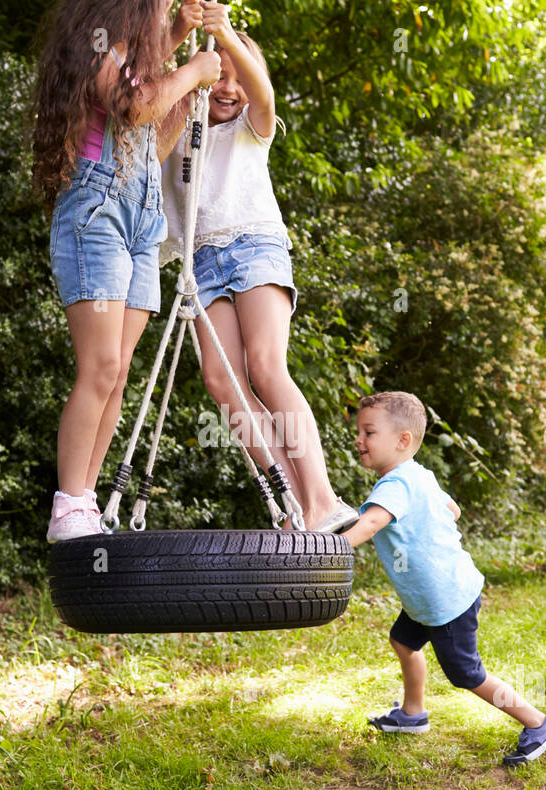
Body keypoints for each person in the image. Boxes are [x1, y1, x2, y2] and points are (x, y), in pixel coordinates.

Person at [157, 2, 357, 533]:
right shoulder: (176, 133)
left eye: (237, 75)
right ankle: (290, 503)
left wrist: (223, 32)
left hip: (253, 248)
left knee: (266, 367)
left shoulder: (253, 126)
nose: (228, 86)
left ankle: (322, 499)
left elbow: (263, 95)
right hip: (200, 263)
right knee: (222, 382)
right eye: (217, 73)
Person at [31, 0, 221, 541]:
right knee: (101, 364)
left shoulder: (141, 54)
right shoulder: (101, 43)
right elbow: (133, 108)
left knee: (118, 372)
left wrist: (182, 38)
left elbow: (153, 142)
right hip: (97, 211)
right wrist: (191, 71)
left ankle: (83, 503)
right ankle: (67, 502)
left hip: (144, 218)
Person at [342, 391, 546, 766]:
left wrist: (329, 548)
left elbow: (374, 522)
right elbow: (453, 509)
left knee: (467, 674)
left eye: (368, 432)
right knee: (402, 641)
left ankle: (539, 723)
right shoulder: (418, 475)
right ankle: (413, 714)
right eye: (359, 432)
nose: (359, 440)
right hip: (428, 599)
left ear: (402, 440)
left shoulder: (395, 485)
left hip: (444, 602)